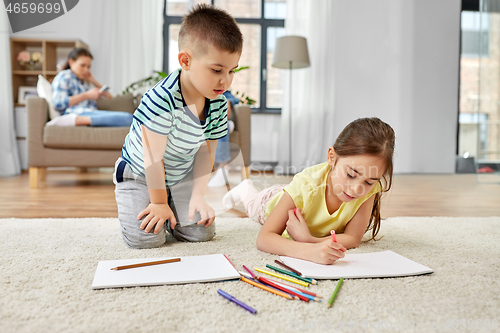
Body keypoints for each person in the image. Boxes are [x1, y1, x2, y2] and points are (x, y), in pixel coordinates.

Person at [113, 4, 243, 248]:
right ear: (186, 60)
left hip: (179, 175)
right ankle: (158, 203)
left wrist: (197, 195)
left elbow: (207, 151)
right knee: (146, 239)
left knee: (201, 234)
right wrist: (159, 203)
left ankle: (172, 203)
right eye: (216, 70)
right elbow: (153, 158)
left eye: (231, 71)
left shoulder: (218, 103)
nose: (225, 80)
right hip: (140, 174)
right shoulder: (161, 99)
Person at [223, 117, 395, 265]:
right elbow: (264, 239)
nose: (357, 189)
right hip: (271, 201)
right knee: (252, 203)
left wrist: (310, 240)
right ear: (331, 157)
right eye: (351, 174)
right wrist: (308, 251)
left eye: (369, 181)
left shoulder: (369, 190)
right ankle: (245, 188)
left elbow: (352, 238)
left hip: (301, 196)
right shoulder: (305, 186)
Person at [47, 48, 133, 127]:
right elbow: (58, 103)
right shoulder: (65, 76)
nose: (86, 70)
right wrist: (86, 95)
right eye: (82, 65)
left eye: (88, 67)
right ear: (71, 62)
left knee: (129, 118)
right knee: (129, 118)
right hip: (78, 113)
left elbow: (110, 98)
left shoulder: (82, 83)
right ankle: (74, 120)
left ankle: (83, 120)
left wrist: (92, 79)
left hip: (90, 113)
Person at [207, 90, 238, 187]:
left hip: (219, 122)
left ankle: (223, 168)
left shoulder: (221, 90)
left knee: (220, 126)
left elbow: (235, 99)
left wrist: (228, 101)